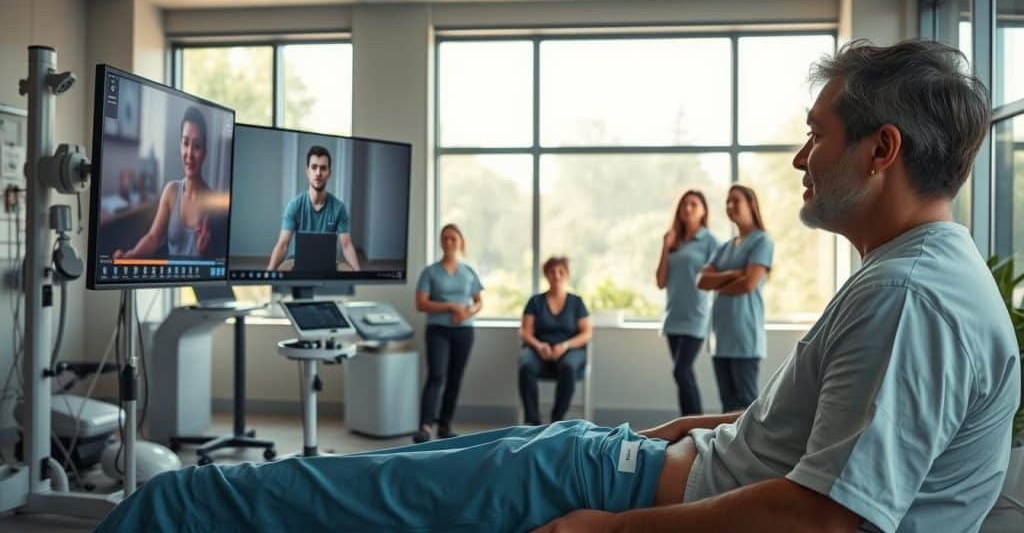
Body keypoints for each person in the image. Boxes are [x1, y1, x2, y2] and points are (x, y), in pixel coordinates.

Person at [96, 41, 1020, 533]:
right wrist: (685, 429)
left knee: (334, 496)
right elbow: (800, 452)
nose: (800, 156)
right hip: (624, 456)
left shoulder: (913, 300)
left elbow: (825, 518)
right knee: (358, 474)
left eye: (818, 134)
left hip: (608, 485)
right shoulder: (921, 277)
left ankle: (158, 514)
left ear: (883, 148)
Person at [697, 184, 772, 412]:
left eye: (735, 200)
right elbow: (701, 281)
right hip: (720, 338)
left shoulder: (762, 241)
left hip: (744, 338)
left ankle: (750, 449)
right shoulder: (726, 247)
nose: (730, 206)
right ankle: (728, 449)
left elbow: (748, 284)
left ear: (751, 204)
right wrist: (732, 274)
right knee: (727, 406)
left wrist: (718, 283)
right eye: (727, 202)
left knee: (745, 406)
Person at [412, 223, 484, 443]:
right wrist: (450, 307)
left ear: (461, 242)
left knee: (455, 378)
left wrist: (468, 311)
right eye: (445, 238)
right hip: (438, 331)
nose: (449, 242)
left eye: (454, 238)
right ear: (441, 242)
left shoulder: (469, 272)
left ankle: (445, 426)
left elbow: (479, 302)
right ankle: (425, 426)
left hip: (464, 331)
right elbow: (421, 304)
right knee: (436, 375)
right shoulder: (430, 272)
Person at [112, 107, 214, 259]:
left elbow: (215, 260)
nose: (189, 154)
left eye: (197, 146)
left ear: (204, 152)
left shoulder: (213, 202)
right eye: (186, 143)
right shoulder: (171, 191)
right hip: (170, 280)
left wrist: (204, 253)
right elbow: (153, 238)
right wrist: (129, 256)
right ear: (180, 145)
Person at [655, 190, 720, 416]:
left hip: (697, 315)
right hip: (673, 316)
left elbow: (718, 277)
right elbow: (660, 282)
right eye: (684, 204)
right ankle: (688, 426)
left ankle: (695, 425)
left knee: (681, 371)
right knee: (683, 375)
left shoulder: (710, 241)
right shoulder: (673, 241)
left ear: (703, 211)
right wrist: (665, 246)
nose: (688, 208)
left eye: (694, 204)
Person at [518, 256, 593, 425]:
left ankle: (556, 421)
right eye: (552, 272)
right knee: (525, 365)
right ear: (546, 275)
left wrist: (565, 345)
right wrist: (539, 346)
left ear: (567, 275)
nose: (556, 276)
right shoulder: (535, 302)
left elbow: (586, 333)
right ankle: (533, 423)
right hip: (539, 351)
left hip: (570, 351)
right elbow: (525, 332)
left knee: (568, 366)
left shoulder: (576, 302)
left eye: (561, 272)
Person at [266, 145, 361, 271]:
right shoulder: (294, 205)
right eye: (314, 167)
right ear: (308, 171)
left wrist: (358, 272)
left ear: (329, 173)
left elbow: (346, 245)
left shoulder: (339, 208)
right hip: (296, 260)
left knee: (350, 272)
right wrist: (269, 271)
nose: (318, 173)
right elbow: (283, 244)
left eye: (323, 168)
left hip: (330, 262)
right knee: (281, 270)